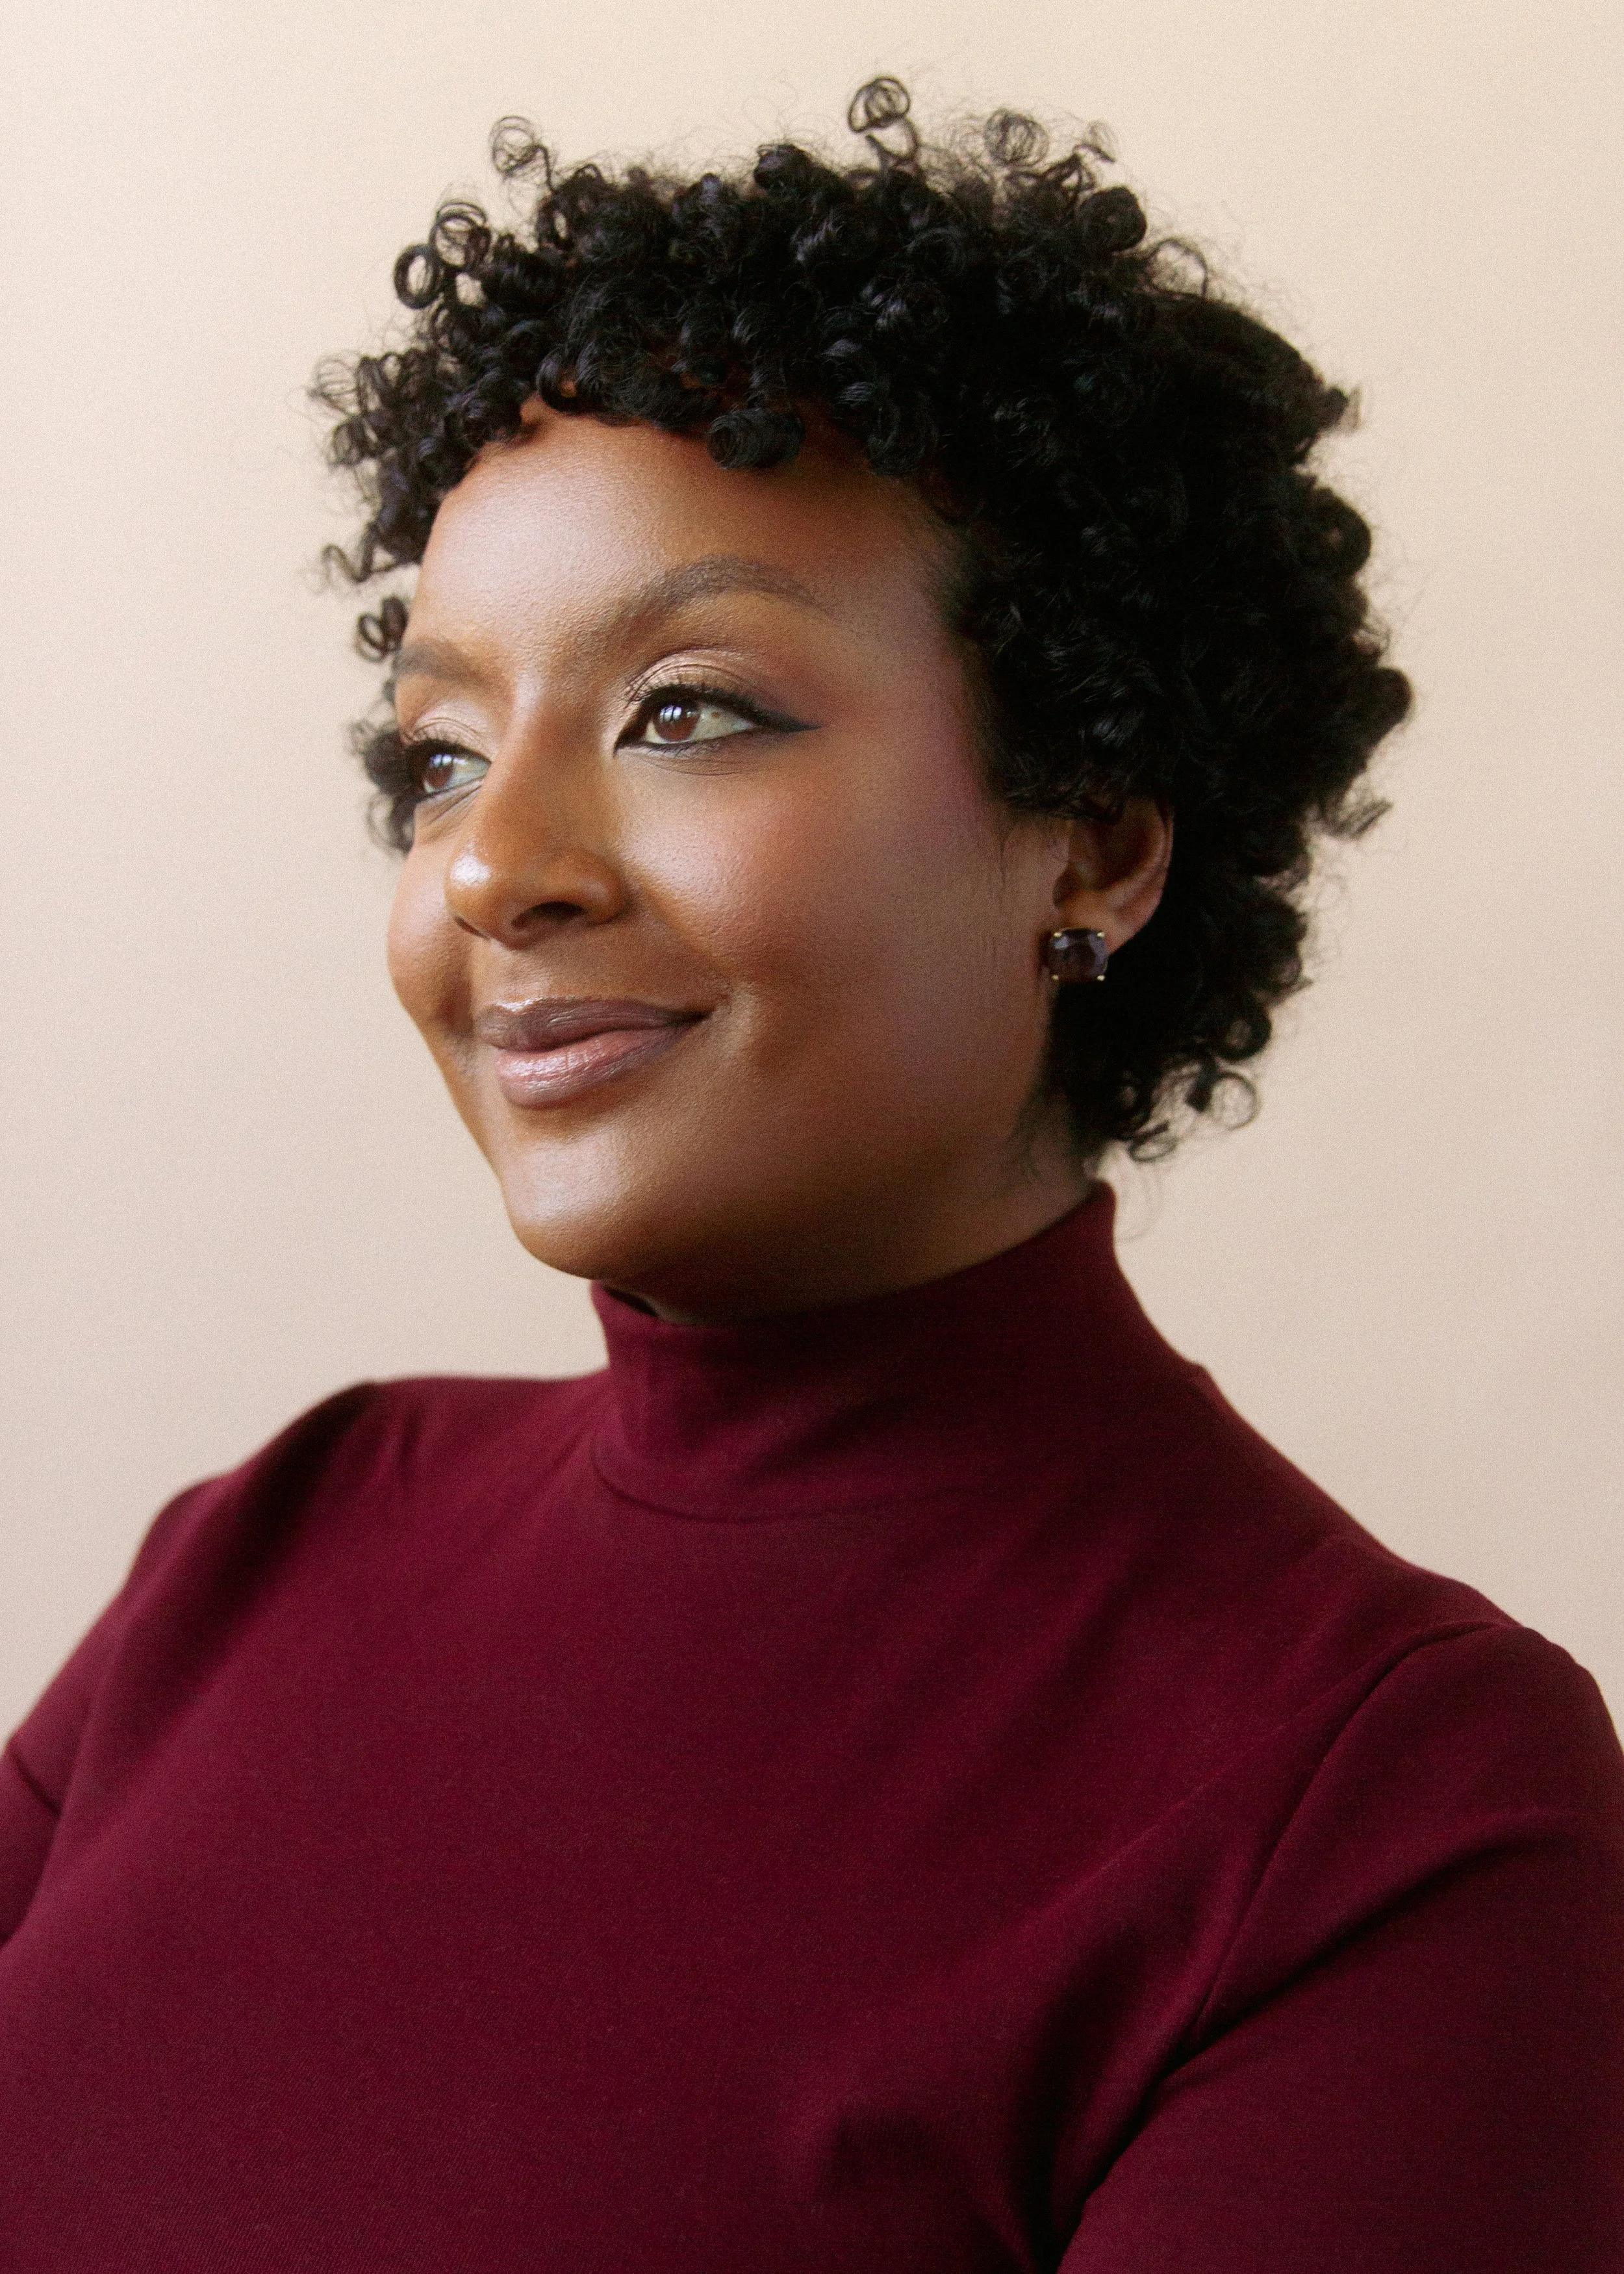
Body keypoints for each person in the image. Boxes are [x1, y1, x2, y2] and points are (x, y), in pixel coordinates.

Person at [1, 80, 1619, 2272]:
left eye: (687, 709)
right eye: (441, 749)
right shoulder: (257, 1560)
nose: (493, 862)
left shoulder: (1388, 1806)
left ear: (1097, 836)